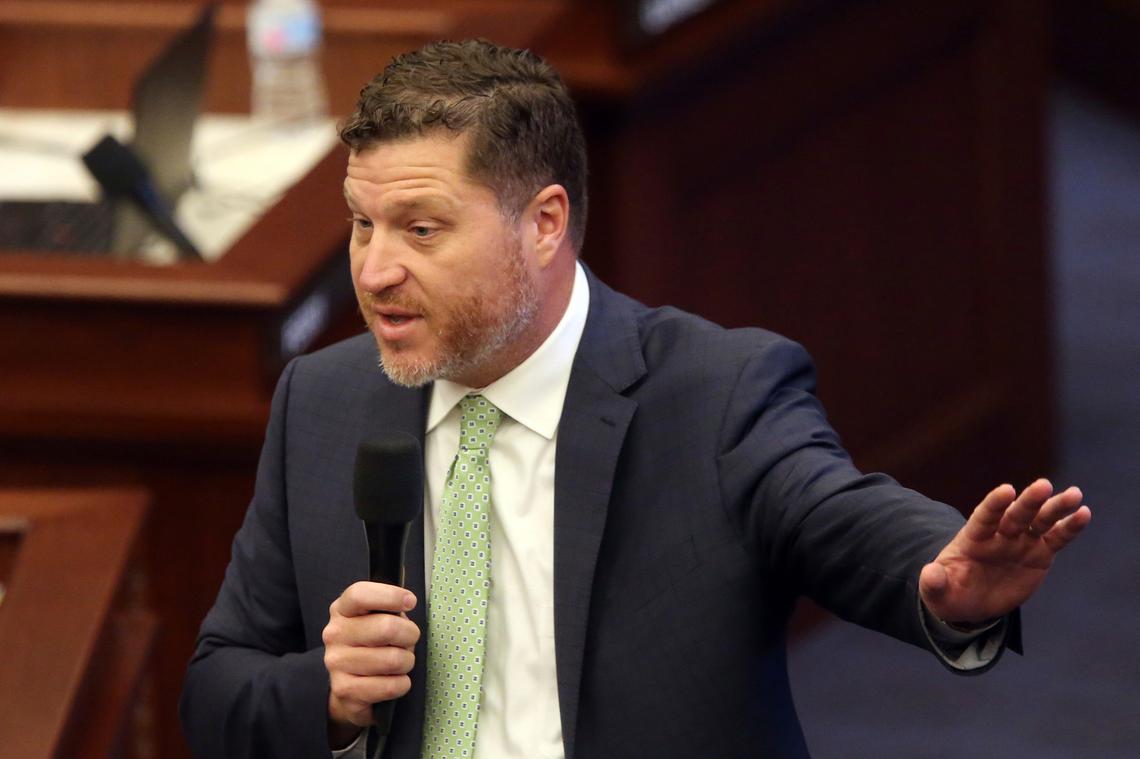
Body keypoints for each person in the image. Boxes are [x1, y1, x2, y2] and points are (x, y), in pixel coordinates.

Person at [179, 40, 1091, 759]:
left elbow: (838, 514)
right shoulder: (324, 400)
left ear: (543, 224)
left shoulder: (715, 392)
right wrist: (326, 694)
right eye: (361, 223)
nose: (375, 271)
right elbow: (216, 690)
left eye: (421, 229)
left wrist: (946, 587)